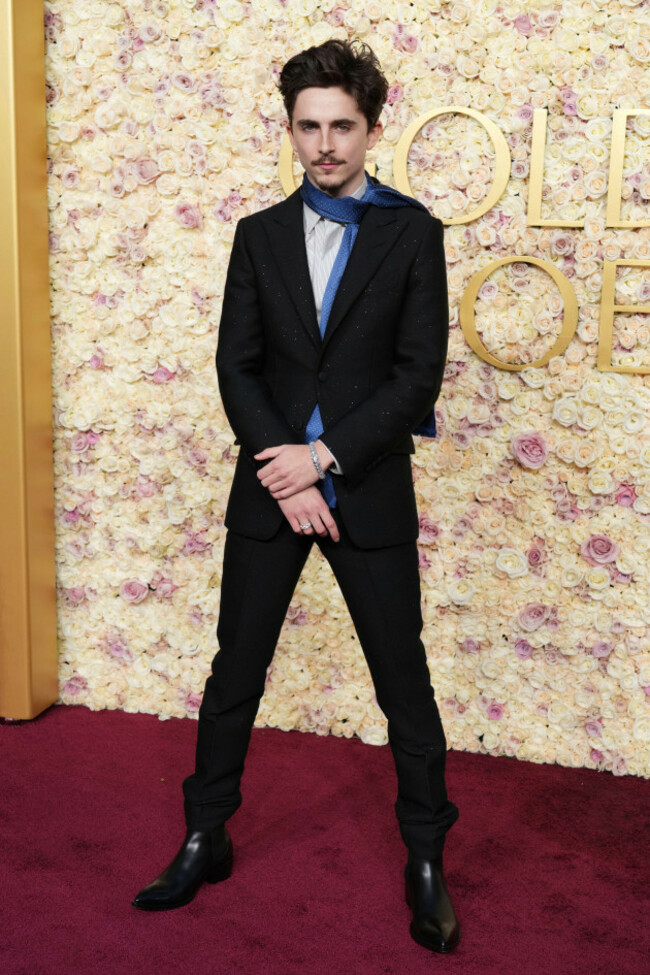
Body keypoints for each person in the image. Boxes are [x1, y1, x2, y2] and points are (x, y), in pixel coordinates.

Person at [132, 39, 460, 954]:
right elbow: (236, 366)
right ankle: (205, 834)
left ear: (371, 127)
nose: (324, 145)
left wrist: (320, 459)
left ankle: (426, 856)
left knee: (406, 685)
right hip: (270, 490)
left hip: (362, 489)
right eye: (308, 127)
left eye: (341, 127)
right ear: (290, 130)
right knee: (236, 670)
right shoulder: (258, 234)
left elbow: (416, 376)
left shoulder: (414, 231)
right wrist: (285, 465)